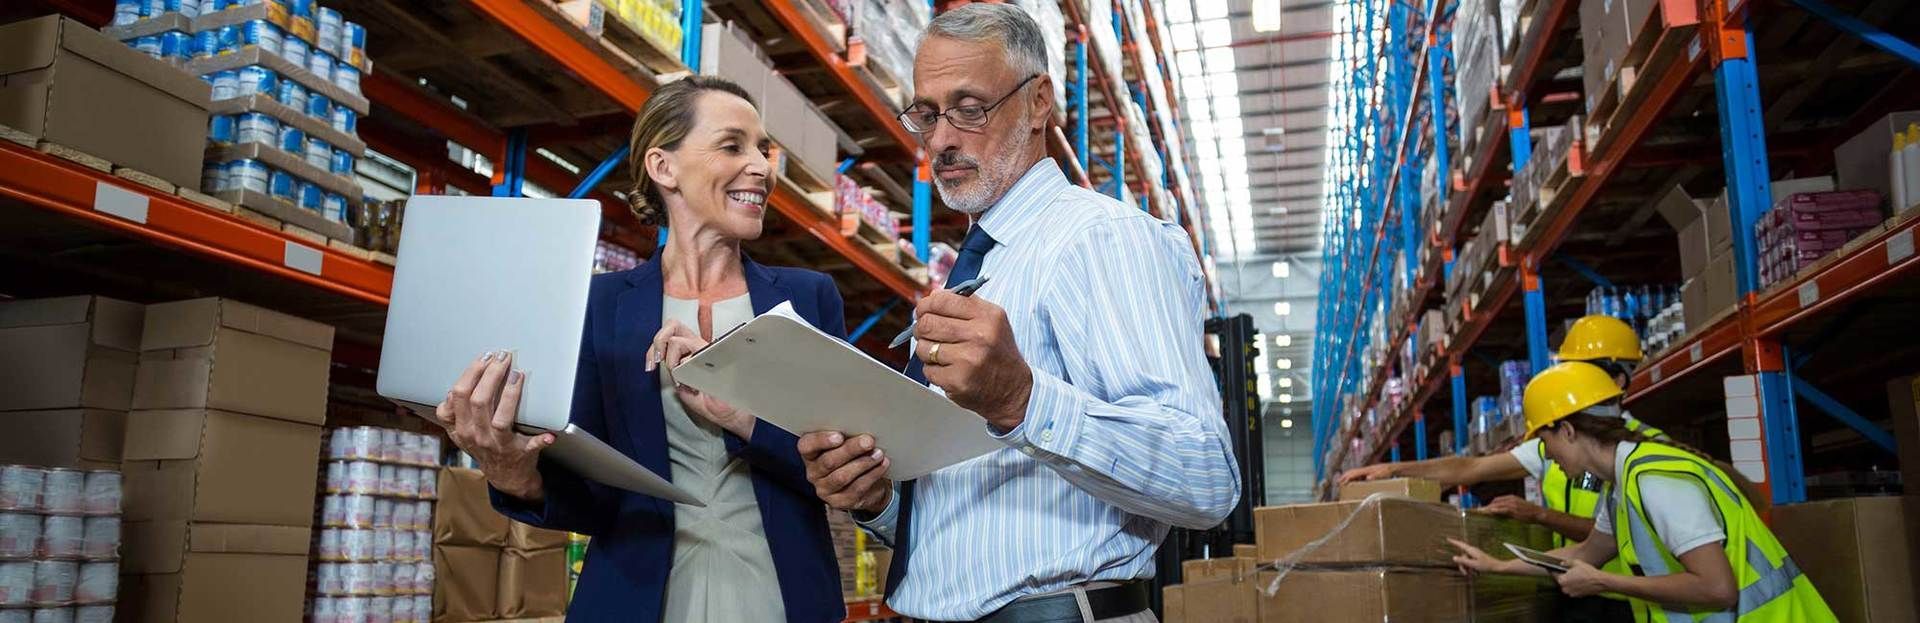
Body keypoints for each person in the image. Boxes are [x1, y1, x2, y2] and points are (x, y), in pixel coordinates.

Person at [795, 5, 1240, 622]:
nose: (942, 140)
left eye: (970, 109)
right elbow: (977, 534)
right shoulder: (983, 269)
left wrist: (1023, 400)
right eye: (927, 115)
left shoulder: (1101, 241)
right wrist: (876, 501)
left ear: (1037, 104)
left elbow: (1207, 480)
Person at [433, 76, 846, 623]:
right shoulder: (600, 307)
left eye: (763, 150)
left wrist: (746, 418)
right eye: (733, 146)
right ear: (663, 167)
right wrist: (510, 471)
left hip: (783, 598)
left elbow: (845, 473)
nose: (763, 168)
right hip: (636, 601)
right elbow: (590, 498)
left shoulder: (808, 299)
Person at [1449, 362, 1835, 622]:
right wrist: (1496, 565)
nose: (1546, 454)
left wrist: (1605, 582)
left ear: (1567, 430)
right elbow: (1584, 554)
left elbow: (1718, 588)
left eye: (1545, 440)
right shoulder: (1621, 485)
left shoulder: (1655, 482)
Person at [1338, 315, 1663, 546]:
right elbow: (1471, 467)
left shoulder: (1644, 451)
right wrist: (1393, 470)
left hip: (1626, 597)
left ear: (1618, 380)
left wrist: (1539, 515)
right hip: (1577, 582)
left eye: (1584, 372)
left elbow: (1627, 534)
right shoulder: (1552, 444)